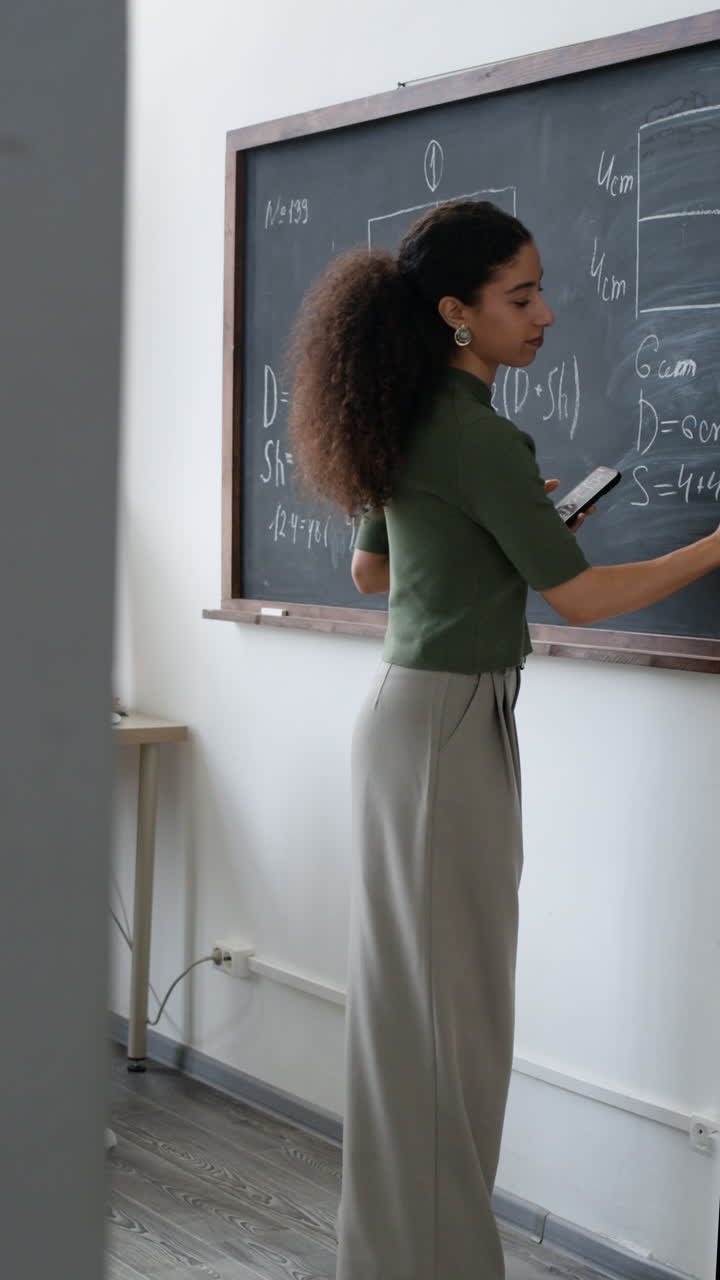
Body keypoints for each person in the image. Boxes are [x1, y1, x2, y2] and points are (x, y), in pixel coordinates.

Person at [287, 200, 720, 1280]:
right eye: (520, 296)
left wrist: (507, 530)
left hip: (412, 721)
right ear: (456, 312)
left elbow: (373, 572)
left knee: (415, 1018)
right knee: (456, 1025)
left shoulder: (408, 413)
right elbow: (580, 599)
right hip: (448, 727)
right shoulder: (479, 432)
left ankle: (393, 1257)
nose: (547, 314)